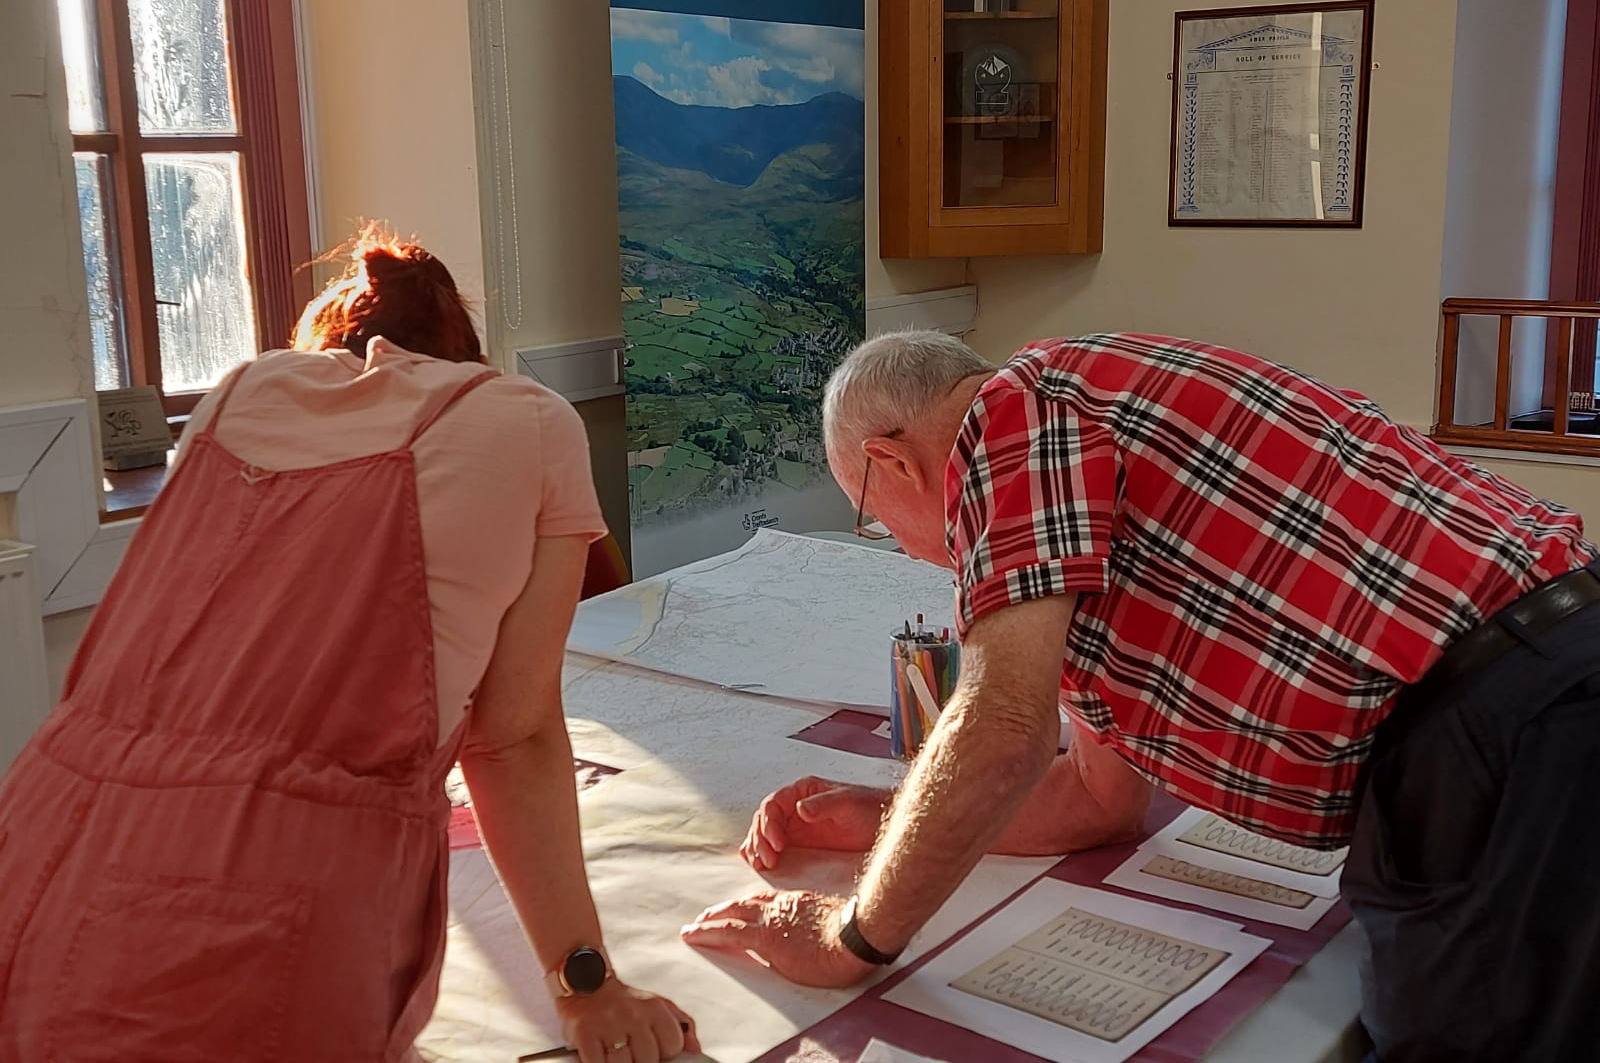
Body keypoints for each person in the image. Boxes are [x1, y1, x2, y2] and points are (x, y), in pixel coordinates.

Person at [682, 330, 1600, 1062]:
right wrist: (886, 820)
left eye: (873, 516)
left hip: (1514, 723)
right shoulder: (1075, 474)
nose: (912, 552)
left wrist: (849, 935)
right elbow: (1096, 801)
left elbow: (1001, 724)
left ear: (895, 461)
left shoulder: (1013, 419)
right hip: (1531, 698)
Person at [0, 230, 696, 1063]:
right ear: (463, 354)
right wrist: (586, 983)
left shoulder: (242, 391)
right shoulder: (526, 419)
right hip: (271, 885)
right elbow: (511, 735)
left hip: (45, 836)